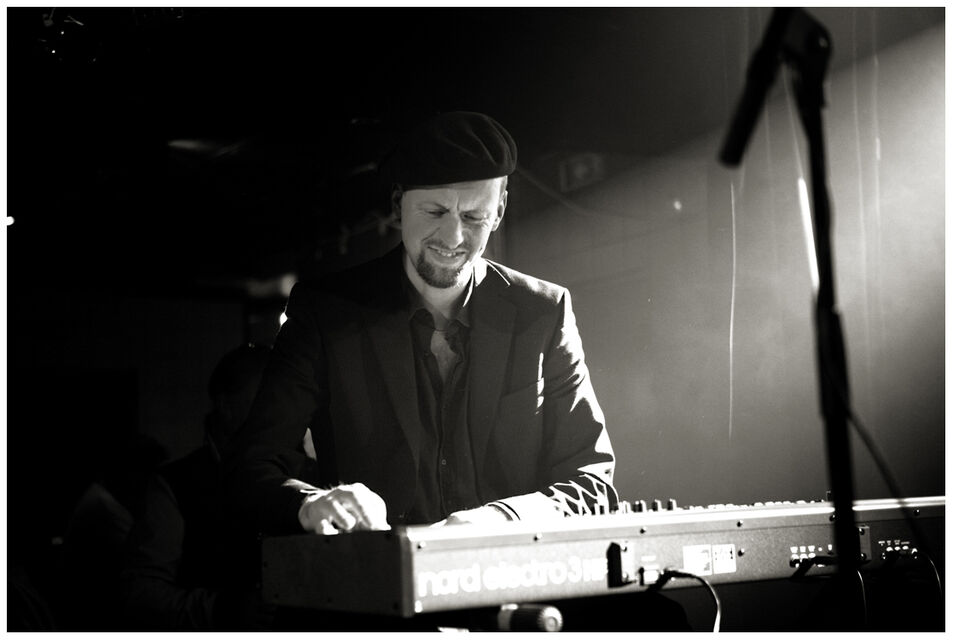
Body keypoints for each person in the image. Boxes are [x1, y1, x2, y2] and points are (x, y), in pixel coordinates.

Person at [225, 111, 616, 540]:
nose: (453, 238)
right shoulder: (325, 313)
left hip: (516, 575)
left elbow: (592, 480)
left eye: (474, 217)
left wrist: (504, 518)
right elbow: (253, 464)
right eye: (434, 212)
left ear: (500, 209)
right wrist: (310, 503)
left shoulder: (544, 311)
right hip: (377, 576)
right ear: (398, 205)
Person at [120, 344, 284, 630]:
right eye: (265, 396)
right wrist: (222, 610)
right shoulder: (175, 485)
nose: (278, 410)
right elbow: (139, 594)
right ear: (226, 405)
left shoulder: (295, 472)